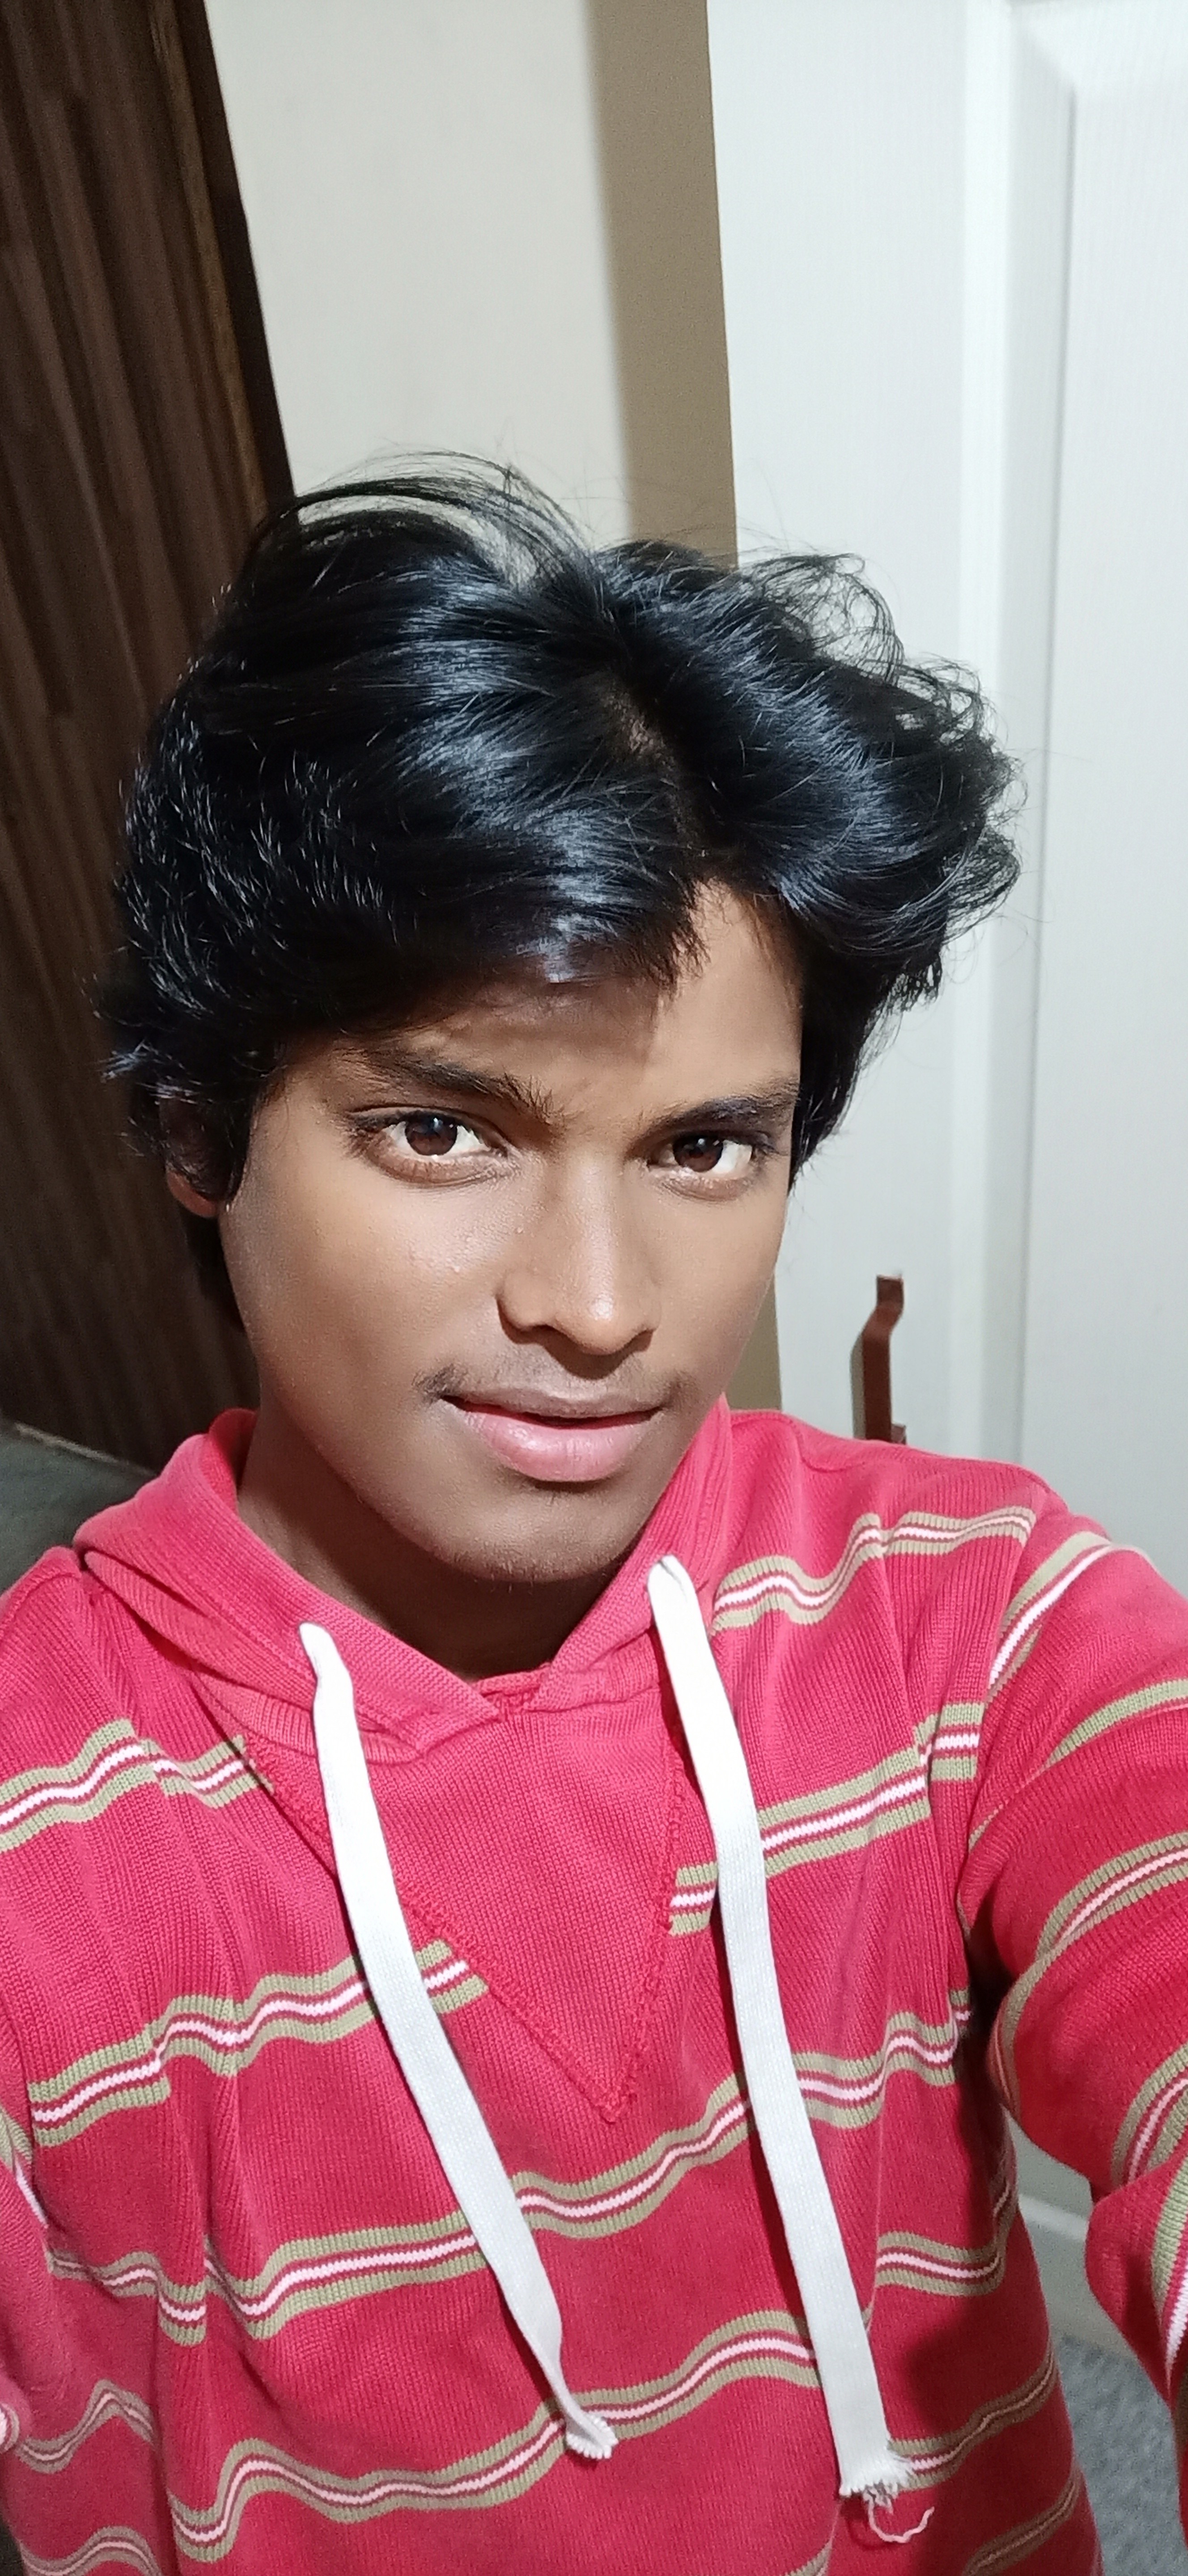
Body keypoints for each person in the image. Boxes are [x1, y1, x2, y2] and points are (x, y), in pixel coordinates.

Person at [0, 471, 1183, 2576]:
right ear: (197, 1123)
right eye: (439, 1129)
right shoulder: (36, 1819)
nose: (604, 1306)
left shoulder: (977, 1622)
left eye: (704, 1148)